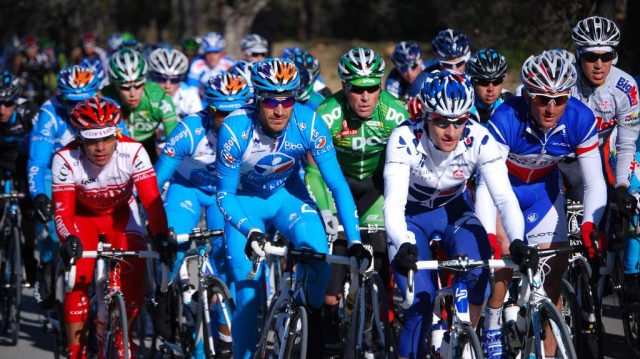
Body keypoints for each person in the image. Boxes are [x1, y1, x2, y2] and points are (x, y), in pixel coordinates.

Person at [215, 58, 368, 359]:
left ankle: (303, 328)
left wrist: (354, 241)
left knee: (318, 255)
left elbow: (337, 185)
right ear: (257, 99)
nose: (280, 109)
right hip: (246, 205)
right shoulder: (234, 129)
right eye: (271, 100)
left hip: (288, 197)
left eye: (287, 99)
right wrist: (251, 231)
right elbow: (224, 196)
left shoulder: (308, 121)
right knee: (248, 293)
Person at [475, 51, 607, 358]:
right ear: (526, 95)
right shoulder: (506, 117)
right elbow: (485, 185)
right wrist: (490, 236)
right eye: (541, 99)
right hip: (503, 190)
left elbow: (595, 183)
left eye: (559, 99)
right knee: (503, 262)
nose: (550, 108)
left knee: (554, 274)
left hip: (543, 192)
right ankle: (493, 322)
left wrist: (589, 224)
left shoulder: (579, 118)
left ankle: (549, 351)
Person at [385, 70, 525, 359]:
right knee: (418, 303)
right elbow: (394, 203)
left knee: (479, 277)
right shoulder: (403, 139)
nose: (450, 132)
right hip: (411, 218)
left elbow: (505, 198)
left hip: (454, 212)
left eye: (459, 121)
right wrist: (402, 242)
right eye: (440, 121)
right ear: (425, 115)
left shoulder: (479, 138)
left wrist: (519, 241)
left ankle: (462, 343)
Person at [51, 97, 174, 359]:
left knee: (136, 270)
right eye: (92, 140)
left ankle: (122, 337)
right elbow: (62, 211)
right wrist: (67, 237)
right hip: (82, 219)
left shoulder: (134, 152)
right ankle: (76, 350)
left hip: (121, 216)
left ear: (117, 134)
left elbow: (151, 202)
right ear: (79, 139)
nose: (100, 148)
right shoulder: (65, 158)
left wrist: (161, 235)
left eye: (106, 138)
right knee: (78, 279)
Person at [304, 47, 409, 349]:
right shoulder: (327, 113)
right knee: (332, 274)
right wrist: (326, 211)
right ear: (345, 86)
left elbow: (405, 168)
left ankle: (380, 324)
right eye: (357, 89)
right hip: (339, 186)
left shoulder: (395, 113)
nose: (365, 97)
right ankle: (330, 329)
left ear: (380, 86)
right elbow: (312, 169)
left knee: (378, 254)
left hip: (377, 186)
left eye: (371, 88)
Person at [153, 73, 252, 358]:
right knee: (175, 247)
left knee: (226, 259)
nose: (231, 119)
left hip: (225, 195)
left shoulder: (251, 130)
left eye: (237, 112)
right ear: (210, 111)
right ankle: (163, 294)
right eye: (223, 113)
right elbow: (157, 179)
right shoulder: (190, 129)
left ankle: (223, 336)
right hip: (187, 191)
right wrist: (153, 221)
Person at [28, 65, 106, 307]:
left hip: (94, 168)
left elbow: (125, 151)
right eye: (70, 101)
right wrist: (39, 195)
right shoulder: (50, 113)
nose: (76, 108)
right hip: (57, 171)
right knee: (54, 225)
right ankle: (48, 264)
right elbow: (38, 163)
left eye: (83, 101)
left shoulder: (107, 108)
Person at [567, 16, 639, 217]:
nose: (599, 65)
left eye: (606, 57)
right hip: (559, 156)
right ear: (579, 55)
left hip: (595, 156)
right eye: (591, 57)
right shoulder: (565, 82)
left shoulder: (625, 88)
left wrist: (622, 185)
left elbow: (626, 144)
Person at [103, 47, 178, 163]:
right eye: (125, 88)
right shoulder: (106, 96)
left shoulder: (159, 98)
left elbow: (174, 142)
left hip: (148, 145)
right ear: (116, 86)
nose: (132, 94)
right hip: (116, 148)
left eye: (138, 86)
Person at [0, 70, 39, 286]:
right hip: (2, 165)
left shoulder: (28, 111)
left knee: (29, 215)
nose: (2, 110)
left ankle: (28, 258)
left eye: (7, 103)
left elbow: (42, 147)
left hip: (24, 162)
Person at [408, 29, 471, 98]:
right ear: (439, 62)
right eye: (447, 65)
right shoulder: (421, 84)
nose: (454, 69)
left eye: (459, 63)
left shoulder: (475, 74)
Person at [148, 48, 203, 119]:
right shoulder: (143, 94)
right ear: (153, 78)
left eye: (174, 80)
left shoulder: (190, 96)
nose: (168, 86)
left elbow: (198, 126)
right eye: (162, 79)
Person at [466, 48, 512, 124]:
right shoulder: (462, 106)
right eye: (484, 82)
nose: (490, 89)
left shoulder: (509, 103)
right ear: (472, 81)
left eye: (497, 81)